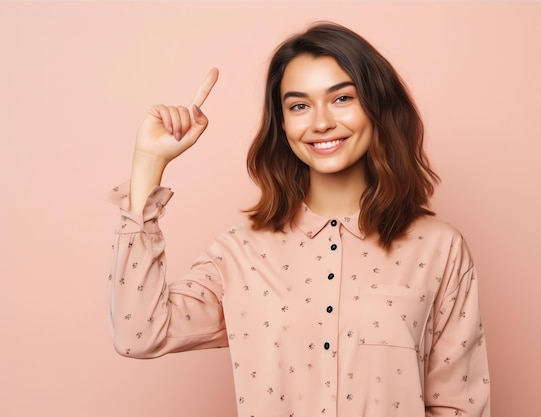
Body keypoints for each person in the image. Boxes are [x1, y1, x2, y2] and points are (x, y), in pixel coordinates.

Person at [107, 22, 490, 417]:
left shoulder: (439, 249)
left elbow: (458, 406)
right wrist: (148, 163)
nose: (320, 122)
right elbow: (139, 333)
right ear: (283, 123)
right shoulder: (241, 252)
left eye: (342, 98)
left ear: (378, 107)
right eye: (299, 106)